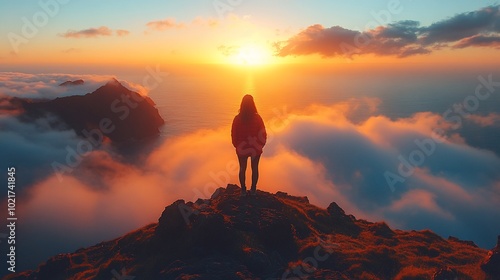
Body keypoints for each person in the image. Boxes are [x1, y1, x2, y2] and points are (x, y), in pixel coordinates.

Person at [231, 95, 267, 196]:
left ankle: (243, 190)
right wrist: (261, 145)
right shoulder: (257, 118)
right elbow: (263, 133)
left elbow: (234, 134)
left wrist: (237, 146)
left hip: (242, 149)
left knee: (242, 168)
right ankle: (253, 190)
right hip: (255, 148)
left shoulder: (237, 119)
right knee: (255, 168)